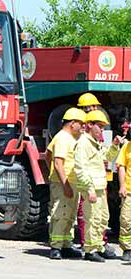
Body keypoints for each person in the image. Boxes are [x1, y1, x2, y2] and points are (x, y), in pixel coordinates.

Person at [73, 109, 121, 262]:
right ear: (89, 125)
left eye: (103, 127)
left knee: (101, 219)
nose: (102, 130)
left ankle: (98, 247)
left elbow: (106, 158)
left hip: (100, 187)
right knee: (92, 219)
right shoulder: (83, 144)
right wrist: (89, 189)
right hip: (92, 189)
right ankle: (90, 250)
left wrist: (114, 146)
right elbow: (80, 168)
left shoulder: (96, 143)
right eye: (99, 126)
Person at [45, 108, 86, 260]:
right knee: (60, 213)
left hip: (70, 182)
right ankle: (56, 246)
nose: (83, 127)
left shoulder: (66, 138)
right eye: (81, 124)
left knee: (70, 215)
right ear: (72, 123)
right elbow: (57, 162)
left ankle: (66, 244)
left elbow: (48, 156)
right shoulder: (63, 138)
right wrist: (65, 185)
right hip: (64, 183)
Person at [115, 131, 131, 262]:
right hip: (129, 190)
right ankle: (127, 249)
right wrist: (122, 186)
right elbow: (121, 167)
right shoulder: (127, 147)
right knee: (126, 219)